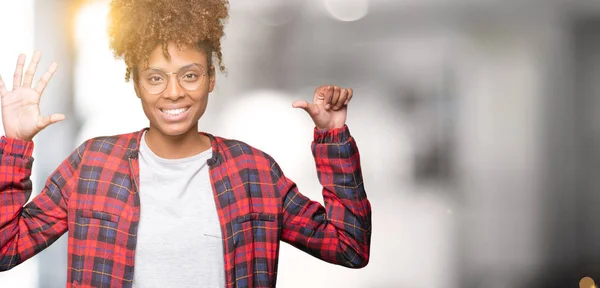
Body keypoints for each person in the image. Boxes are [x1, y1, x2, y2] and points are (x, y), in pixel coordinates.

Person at [0, 0, 371, 287]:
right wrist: (15, 144)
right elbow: (5, 248)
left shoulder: (253, 171)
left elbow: (349, 247)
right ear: (137, 85)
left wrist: (332, 135)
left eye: (189, 75)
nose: (174, 92)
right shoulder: (91, 165)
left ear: (211, 77)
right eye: (156, 77)